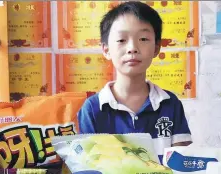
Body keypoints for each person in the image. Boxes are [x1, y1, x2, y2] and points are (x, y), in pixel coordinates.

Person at [77, 1, 192, 161]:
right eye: (121, 40)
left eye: (143, 39)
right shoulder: (93, 109)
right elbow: (89, 166)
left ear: (156, 48)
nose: (132, 48)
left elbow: (183, 165)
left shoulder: (170, 104)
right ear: (106, 49)